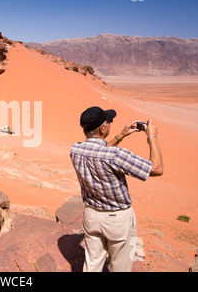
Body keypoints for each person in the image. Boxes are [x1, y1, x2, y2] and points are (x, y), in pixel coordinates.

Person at [70, 106, 163, 272]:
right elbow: (156, 169)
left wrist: (121, 135)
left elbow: (99, 152)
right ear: (103, 128)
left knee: (92, 264)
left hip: (92, 216)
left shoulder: (76, 149)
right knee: (121, 266)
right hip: (118, 219)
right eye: (109, 122)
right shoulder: (116, 155)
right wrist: (152, 136)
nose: (110, 124)